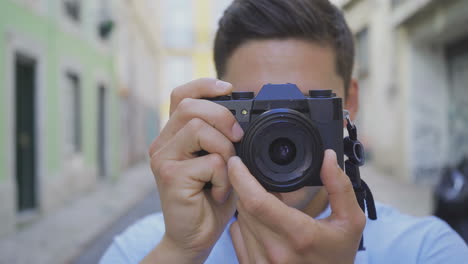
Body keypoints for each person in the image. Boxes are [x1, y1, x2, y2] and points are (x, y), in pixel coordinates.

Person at [100, 0, 468, 263]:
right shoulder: (147, 248)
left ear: (347, 105)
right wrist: (181, 252)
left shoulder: (426, 250)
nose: (280, 133)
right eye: (258, 110)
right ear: (220, 106)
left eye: (303, 109)